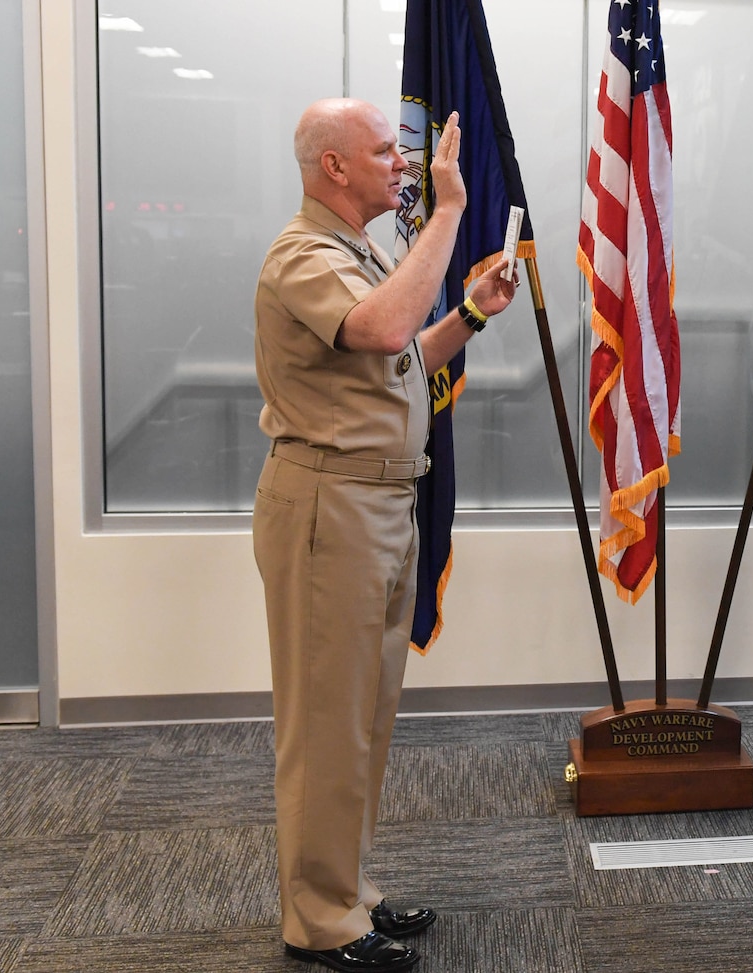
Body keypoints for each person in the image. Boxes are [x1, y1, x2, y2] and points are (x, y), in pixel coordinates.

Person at [253, 98, 516, 973]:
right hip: (330, 508)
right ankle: (318, 920)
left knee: (363, 718)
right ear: (333, 167)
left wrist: (471, 313)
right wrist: (446, 212)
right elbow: (384, 326)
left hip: (376, 508)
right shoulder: (302, 255)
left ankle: (347, 893)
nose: (399, 164)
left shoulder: (359, 254)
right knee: (327, 722)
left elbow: (403, 358)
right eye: (380, 151)